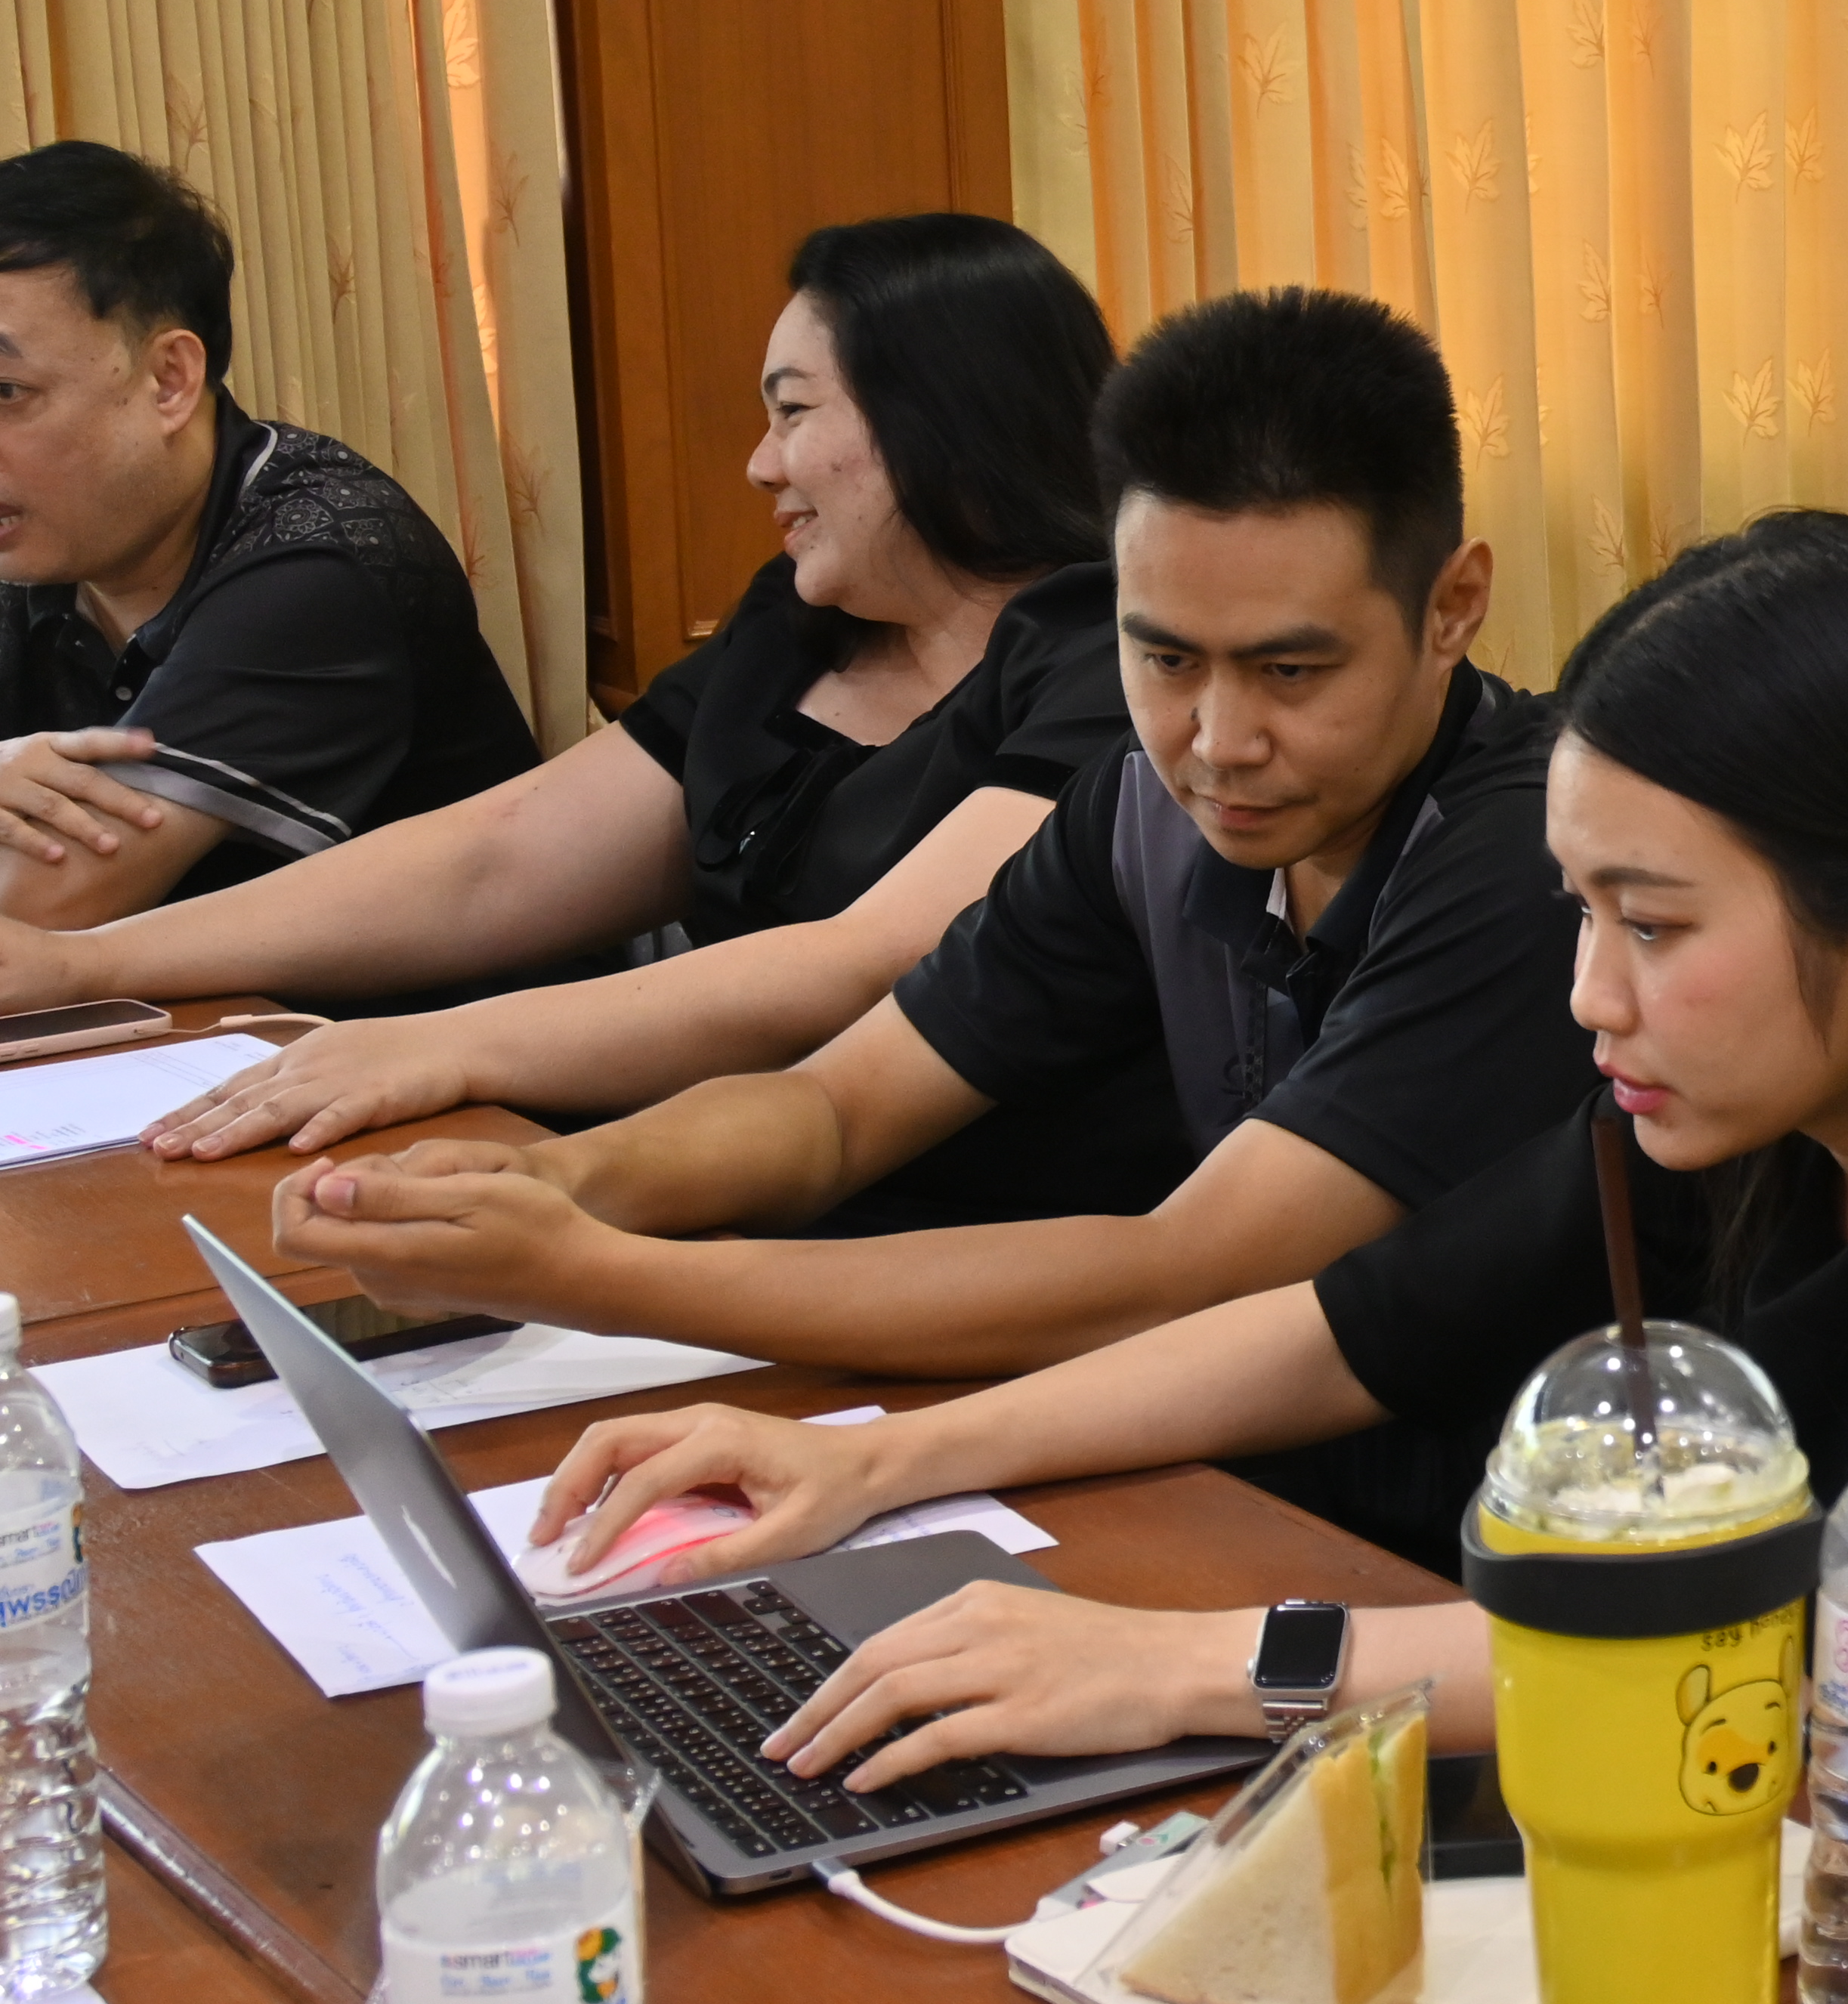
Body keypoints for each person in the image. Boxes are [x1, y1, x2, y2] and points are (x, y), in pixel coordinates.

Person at [518, 512, 1848, 1894]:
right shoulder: (1750, 1111)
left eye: (1652, 924)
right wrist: (886, 1457)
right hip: (1752, 1835)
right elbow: (1353, 1325)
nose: (1593, 995)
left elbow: (1826, 1629)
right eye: (1579, 911)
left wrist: (1190, 1662)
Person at [263, 291, 1602, 1436]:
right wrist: (558, 1183)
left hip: (1470, 1531)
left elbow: (1184, 1272)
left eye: (1291, 671)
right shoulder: (1138, 807)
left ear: (1453, 606)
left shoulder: (1536, 858)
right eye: (1163, 657)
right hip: (1199, 1449)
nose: (1217, 740)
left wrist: (590, 1274)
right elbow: (834, 1111)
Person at [49, 217, 1131, 1228]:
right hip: (691, 1183)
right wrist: (87, 966)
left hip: (973, 1235)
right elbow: (500, 856)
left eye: (794, 413)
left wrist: (444, 1047)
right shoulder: (799, 624)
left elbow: (865, 962)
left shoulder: (1114, 661)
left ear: (945, 420)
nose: (759, 463)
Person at [0, 141, 534, 926]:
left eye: (7, 391)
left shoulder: (321, 564)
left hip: (440, 1005)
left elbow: (41, 903)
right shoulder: (39, 542)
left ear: (169, 380)